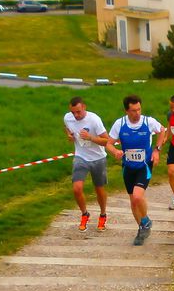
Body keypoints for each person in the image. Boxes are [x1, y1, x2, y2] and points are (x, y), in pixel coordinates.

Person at [106, 94, 168, 246]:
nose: (137, 113)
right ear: (127, 111)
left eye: (139, 109)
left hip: (144, 165)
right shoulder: (119, 124)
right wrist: (115, 152)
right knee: (133, 202)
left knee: (137, 197)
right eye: (133, 110)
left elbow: (162, 131)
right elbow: (108, 143)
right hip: (128, 167)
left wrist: (157, 150)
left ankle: (145, 221)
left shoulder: (148, 121)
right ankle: (142, 227)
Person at [63, 96, 110, 231]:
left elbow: (107, 140)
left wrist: (90, 137)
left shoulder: (94, 120)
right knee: (77, 188)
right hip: (80, 156)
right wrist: (70, 135)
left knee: (99, 189)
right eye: (73, 112)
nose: (76, 115)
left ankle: (103, 214)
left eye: (78, 112)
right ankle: (84, 214)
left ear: (84, 107)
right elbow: (66, 127)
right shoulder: (68, 117)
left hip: (98, 158)